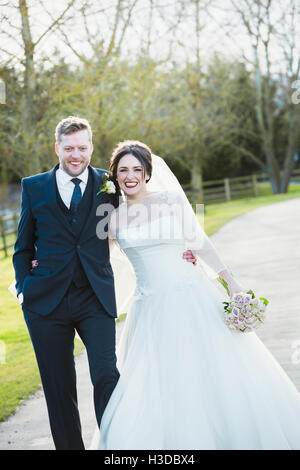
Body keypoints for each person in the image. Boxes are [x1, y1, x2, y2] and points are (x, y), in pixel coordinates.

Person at [90, 140, 300, 450]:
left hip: (193, 296)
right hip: (150, 309)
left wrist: (231, 282)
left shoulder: (171, 201)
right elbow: (93, 259)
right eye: (123, 170)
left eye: (137, 168)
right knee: (157, 382)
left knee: (220, 371)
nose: (130, 175)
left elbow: (199, 243)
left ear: (148, 172)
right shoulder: (112, 217)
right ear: (115, 175)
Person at [12, 117, 195, 450]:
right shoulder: (33, 186)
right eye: (69, 148)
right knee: (58, 388)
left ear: (91, 147)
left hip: (94, 298)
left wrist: (179, 250)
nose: (76, 155)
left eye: (82, 147)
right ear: (57, 148)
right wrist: (24, 286)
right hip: (45, 304)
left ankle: (115, 448)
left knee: (107, 376)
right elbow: (22, 248)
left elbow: (144, 213)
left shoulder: (109, 185)